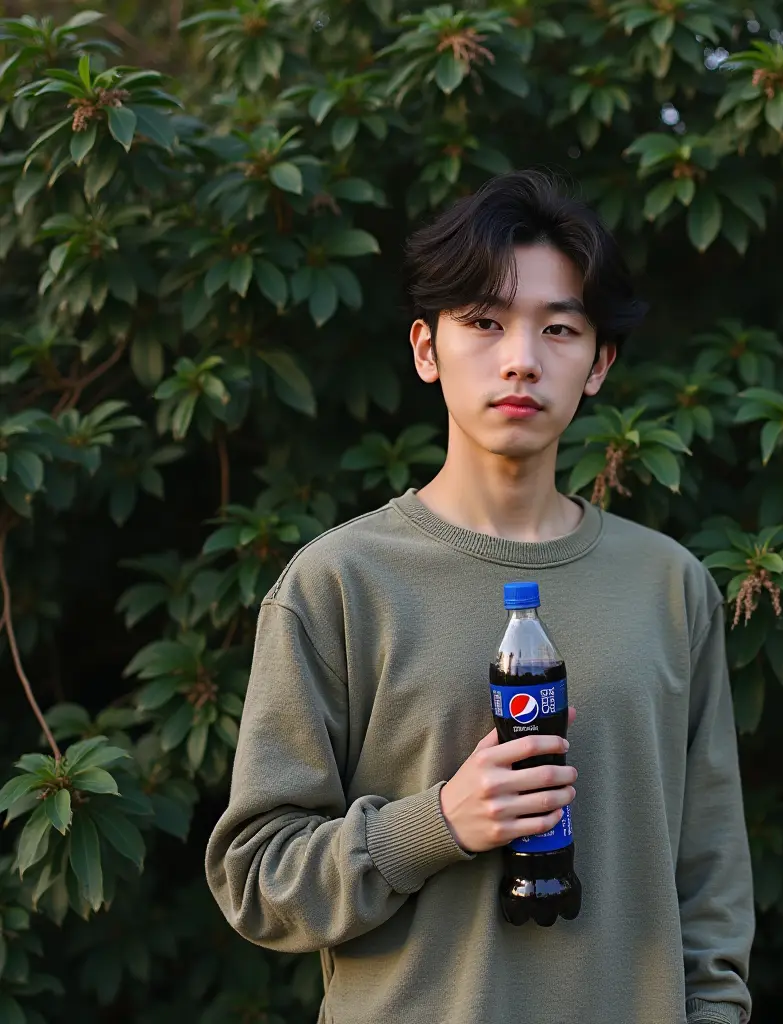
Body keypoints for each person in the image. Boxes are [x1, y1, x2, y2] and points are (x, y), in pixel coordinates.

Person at [205, 169, 755, 1024]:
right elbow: (257, 877)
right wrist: (438, 823)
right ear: (426, 348)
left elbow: (711, 875)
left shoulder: (670, 587)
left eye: (560, 328)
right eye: (484, 323)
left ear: (599, 361)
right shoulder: (339, 583)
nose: (521, 360)